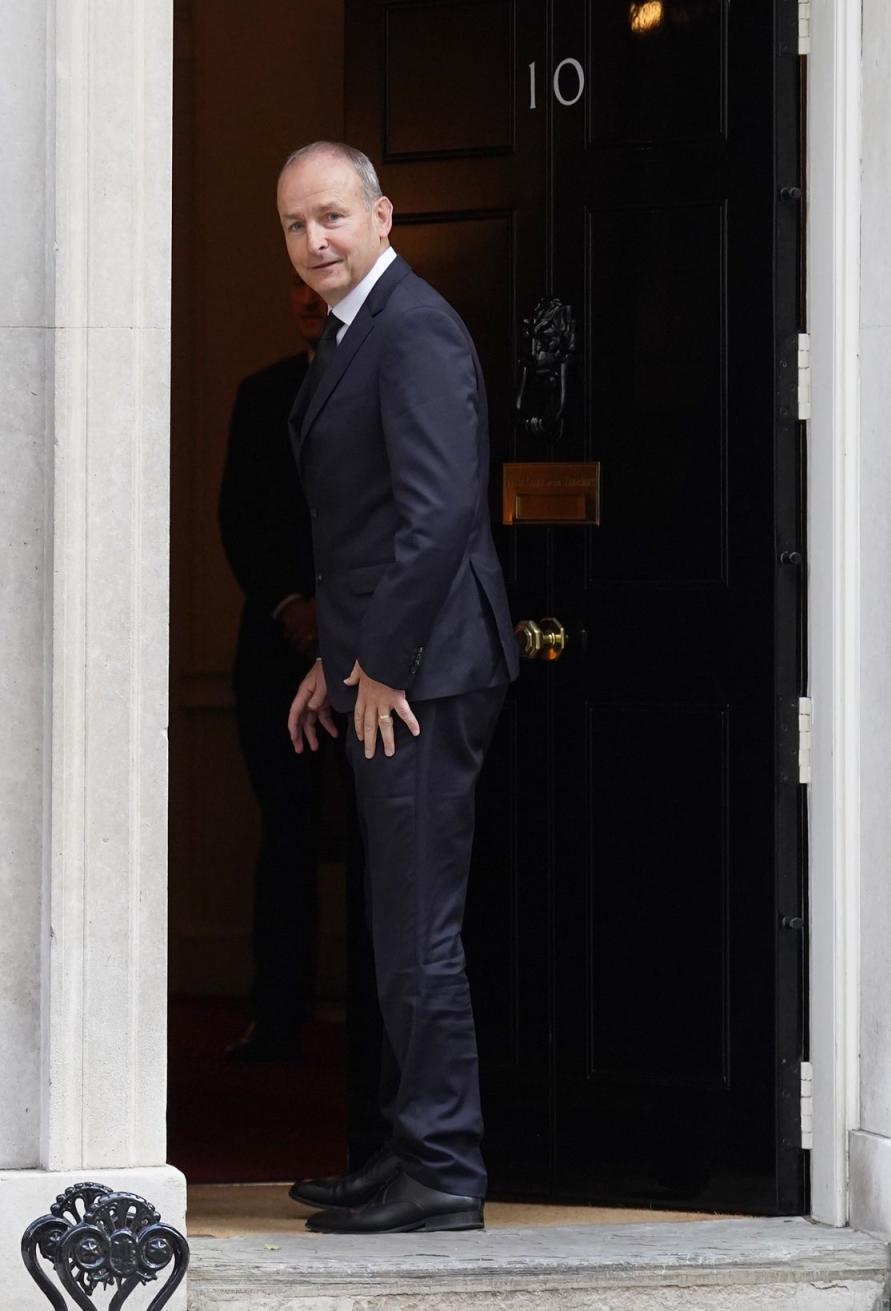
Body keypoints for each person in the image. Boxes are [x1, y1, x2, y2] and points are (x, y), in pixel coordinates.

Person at [279, 141, 519, 1234]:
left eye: (331, 216)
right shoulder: (352, 333)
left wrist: (379, 664)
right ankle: (399, 1150)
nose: (315, 241)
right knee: (395, 922)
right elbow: (370, 534)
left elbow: (438, 518)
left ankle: (443, 1171)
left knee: (418, 927)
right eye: (294, 225)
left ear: (384, 214)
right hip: (386, 667)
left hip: (426, 677)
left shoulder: (412, 327)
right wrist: (333, 666)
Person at [218, 276, 329, 1063]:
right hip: (274, 654)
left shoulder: (394, 374)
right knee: (284, 836)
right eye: (292, 280)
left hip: (382, 655)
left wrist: (347, 620)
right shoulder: (262, 396)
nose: (306, 292)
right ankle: (277, 1016)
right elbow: (238, 517)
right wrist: (291, 605)